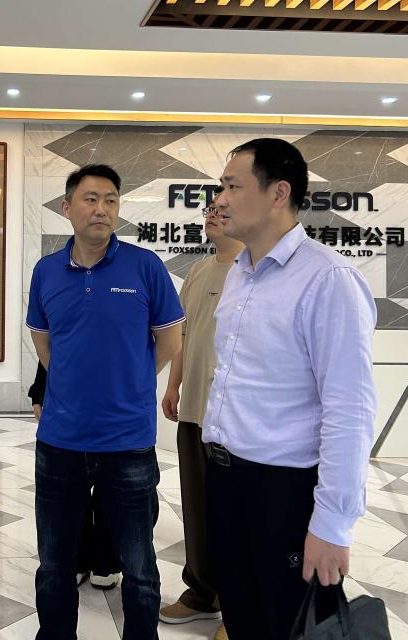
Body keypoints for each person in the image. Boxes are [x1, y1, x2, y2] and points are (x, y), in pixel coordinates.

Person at [201, 138, 377, 640]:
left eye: (232, 186)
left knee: (283, 625)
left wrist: (332, 524)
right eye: (220, 187)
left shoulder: (328, 279)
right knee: (241, 618)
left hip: (283, 492)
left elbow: (350, 407)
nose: (220, 200)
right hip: (226, 480)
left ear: (278, 193)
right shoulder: (241, 272)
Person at [27, 163, 184, 640]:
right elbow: (43, 338)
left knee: (139, 565)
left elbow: (170, 338)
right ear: (67, 207)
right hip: (60, 440)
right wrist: (70, 382)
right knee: (55, 562)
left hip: (128, 441)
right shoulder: (46, 270)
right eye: (91, 199)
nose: (102, 209)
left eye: (111, 200)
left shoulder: (145, 266)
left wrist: (132, 379)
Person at [159, 199, 242, 640]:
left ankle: (239, 610)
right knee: (197, 505)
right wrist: (173, 385)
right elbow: (183, 334)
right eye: (210, 209)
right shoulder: (198, 271)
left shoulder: (253, 273)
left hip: (234, 417)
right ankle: (201, 593)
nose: (213, 214)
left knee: (233, 513)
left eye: (224, 208)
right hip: (194, 409)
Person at [30, 361, 122, 589]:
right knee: (72, 486)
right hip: (67, 405)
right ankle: (79, 559)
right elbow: (51, 345)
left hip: (117, 402)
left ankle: (105, 561)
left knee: (110, 486)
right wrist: (39, 389)